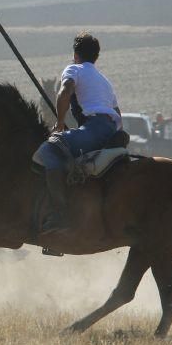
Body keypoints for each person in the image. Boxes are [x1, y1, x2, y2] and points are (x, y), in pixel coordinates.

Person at [35, 32, 121, 234]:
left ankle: (60, 215)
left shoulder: (74, 69)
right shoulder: (104, 81)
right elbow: (117, 113)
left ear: (75, 54)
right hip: (110, 130)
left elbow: (65, 91)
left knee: (48, 151)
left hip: (93, 129)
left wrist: (59, 123)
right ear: (96, 56)